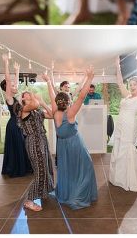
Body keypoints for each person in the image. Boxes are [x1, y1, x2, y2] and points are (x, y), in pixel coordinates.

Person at [43, 67, 98, 209]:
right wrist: (90, 78)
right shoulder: (71, 113)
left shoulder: (55, 112)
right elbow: (82, 96)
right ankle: (77, 194)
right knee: (85, 167)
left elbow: (51, 96)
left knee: (67, 169)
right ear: (68, 102)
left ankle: (67, 192)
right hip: (74, 144)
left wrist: (48, 81)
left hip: (62, 145)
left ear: (58, 102)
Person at [109, 58, 137, 190]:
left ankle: (129, 180)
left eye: (135, 85)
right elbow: (120, 82)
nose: (132, 87)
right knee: (118, 148)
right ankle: (118, 178)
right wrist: (118, 67)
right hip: (120, 125)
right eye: (131, 85)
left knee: (126, 149)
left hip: (129, 126)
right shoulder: (127, 95)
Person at [16, 89, 55, 212]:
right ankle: (29, 200)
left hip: (42, 140)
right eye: (26, 94)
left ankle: (45, 191)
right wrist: (35, 98)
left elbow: (52, 115)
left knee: (46, 167)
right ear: (22, 99)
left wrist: (43, 103)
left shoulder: (37, 111)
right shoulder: (23, 110)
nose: (29, 95)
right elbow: (34, 104)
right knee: (40, 170)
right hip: (34, 142)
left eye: (30, 94)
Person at [0, 54, 32, 177]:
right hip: (14, 125)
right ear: (7, 88)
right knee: (17, 146)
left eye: (14, 85)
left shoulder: (14, 97)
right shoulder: (9, 97)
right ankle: (17, 168)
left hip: (19, 124)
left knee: (22, 145)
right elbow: (8, 81)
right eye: (12, 86)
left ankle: (23, 167)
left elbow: (14, 83)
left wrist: (17, 71)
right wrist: (6, 63)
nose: (15, 86)